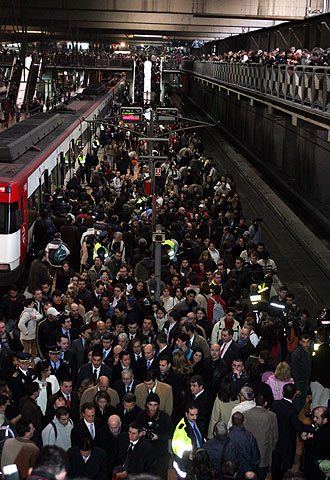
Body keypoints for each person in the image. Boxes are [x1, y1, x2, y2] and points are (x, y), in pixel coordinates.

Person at [270, 383, 307, 480]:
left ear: (283, 392)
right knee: (287, 465)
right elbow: (297, 427)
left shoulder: (274, 404)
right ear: (295, 395)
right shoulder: (293, 410)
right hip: (288, 442)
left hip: (276, 439)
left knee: (275, 464)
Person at [136, 392, 173, 480]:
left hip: (160, 454)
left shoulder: (164, 417)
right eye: (150, 405)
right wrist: (141, 432)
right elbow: (134, 429)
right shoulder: (141, 415)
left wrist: (158, 437)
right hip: (144, 453)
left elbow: (171, 433)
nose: (152, 408)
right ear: (146, 404)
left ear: (158, 405)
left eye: (155, 405)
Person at [244, 393, 278, 480]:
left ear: (254, 401)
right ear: (265, 403)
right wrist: (270, 449)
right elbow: (275, 436)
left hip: (249, 453)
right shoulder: (272, 416)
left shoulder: (246, 414)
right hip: (264, 452)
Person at [172, 402, 203, 478]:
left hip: (196, 461)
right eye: (192, 415)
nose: (195, 417)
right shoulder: (181, 429)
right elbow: (177, 449)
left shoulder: (196, 422)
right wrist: (189, 455)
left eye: (196, 415)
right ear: (186, 414)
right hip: (186, 464)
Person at [301, 406, 330, 480]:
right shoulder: (320, 425)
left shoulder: (326, 434)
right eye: (314, 416)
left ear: (325, 419)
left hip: (316, 471)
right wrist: (305, 437)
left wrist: (309, 440)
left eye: (317, 418)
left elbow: (318, 452)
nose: (314, 419)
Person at [228, 412, 261, 476]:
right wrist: (251, 469)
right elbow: (256, 458)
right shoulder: (250, 437)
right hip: (246, 471)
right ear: (243, 421)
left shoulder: (227, 435)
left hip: (230, 471)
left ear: (232, 421)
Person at [290, 334, 312, 413]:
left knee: (302, 404)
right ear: (300, 342)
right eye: (304, 342)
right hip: (299, 382)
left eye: (307, 342)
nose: (306, 344)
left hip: (305, 381)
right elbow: (294, 372)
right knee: (298, 405)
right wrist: (297, 388)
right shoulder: (296, 354)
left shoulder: (308, 352)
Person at [310, 327, 330, 410]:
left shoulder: (318, 353)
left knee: (315, 404)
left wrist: (312, 379)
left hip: (318, 382)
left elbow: (315, 368)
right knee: (324, 404)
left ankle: (315, 420)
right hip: (328, 382)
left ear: (318, 338)